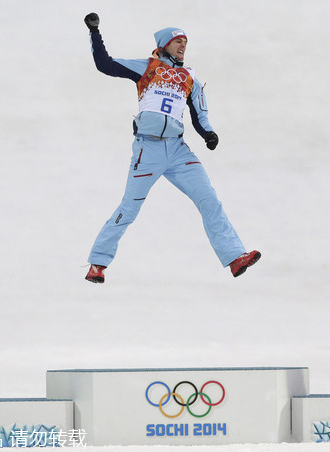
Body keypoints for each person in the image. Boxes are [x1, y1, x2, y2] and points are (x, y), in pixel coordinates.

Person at [82, 12, 260, 284]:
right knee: (129, 208)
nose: (183, 46)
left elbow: (199, 113)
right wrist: (95, 32)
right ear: (165, 44)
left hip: (178, 151)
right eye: (178, 41)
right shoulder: (147, 67)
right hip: (148, 149)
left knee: (209, 199)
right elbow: (105, 64)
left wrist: (208, 133)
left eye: (185, 42)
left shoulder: (190, 78)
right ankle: (97, 263)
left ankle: (235, 257)